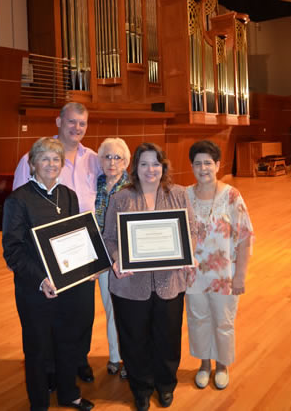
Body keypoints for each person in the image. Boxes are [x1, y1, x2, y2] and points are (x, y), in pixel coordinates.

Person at [103, 142, 197, 411]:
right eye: (144, 164)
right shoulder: (121, 197)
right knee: (134, 339)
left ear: (163, 166)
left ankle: (166, 385)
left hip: (170, 282)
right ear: (135, 167)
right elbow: (109, 237)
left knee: (167, 337)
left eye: (155, 163)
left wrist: (188, 255)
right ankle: (141, 388)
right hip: (131, 285)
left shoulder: (179, 194)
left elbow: (189, 232)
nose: (150, 169)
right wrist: (117, 258)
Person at [2, 137, 94, 411]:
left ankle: (68, 393)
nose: (51, 164)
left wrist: (87, 266)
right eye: (44, 158)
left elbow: (73, 237)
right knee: (38, 348)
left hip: (68, 285)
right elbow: (13, 250)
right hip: (35, 289)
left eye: (56, 159)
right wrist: (41, 279)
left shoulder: (68, 195)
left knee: (68, 342)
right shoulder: (18, 200)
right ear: (33, 164)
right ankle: (39, 403)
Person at [13, 102, 100, 383]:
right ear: (59, 121)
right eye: (72, 121)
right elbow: (19, 208)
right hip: (42, 256)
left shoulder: (94, 158)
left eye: (82, 123)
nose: (77, 128)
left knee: (81, 312)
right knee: (49, 316)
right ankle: (49, 368)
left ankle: (77, 361)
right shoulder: (33, 157)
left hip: (80, 248)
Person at [185, 140, 253, 390]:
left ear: (217, 165)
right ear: (192, 166)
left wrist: (240, 277)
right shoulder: (185, 195)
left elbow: (245, 237)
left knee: (223, 321)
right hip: (194, 275)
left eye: (208, 163)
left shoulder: (232, 195)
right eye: (198, 163)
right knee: (198, 319)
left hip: (225, 274)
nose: (203, 168)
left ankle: (222, 365)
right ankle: (204, 364)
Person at [95, 137, 130, 377]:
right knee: (109, 308)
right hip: (97, 256)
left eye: (117, 157)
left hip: (123, 256)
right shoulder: (95, 183)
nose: (112, 162)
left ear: (126, 162)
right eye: (107, 156)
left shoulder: (132, 187)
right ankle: (115, 356)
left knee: (126, 310)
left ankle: (130, 357)